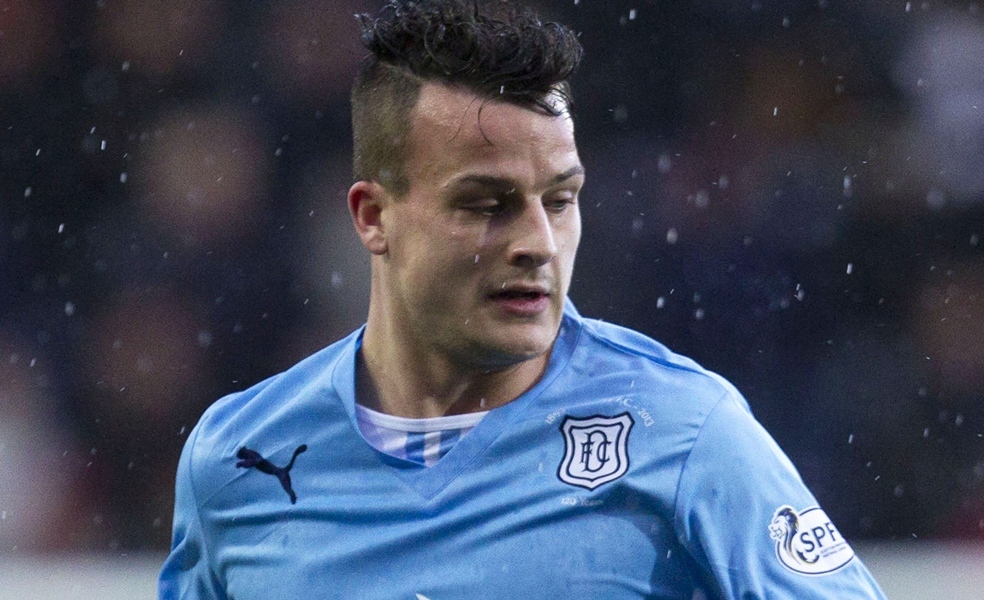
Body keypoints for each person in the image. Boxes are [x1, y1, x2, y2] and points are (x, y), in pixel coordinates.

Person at [159, 1, 887, 598]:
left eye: (560, 199)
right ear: (372, 217)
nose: (537, 241)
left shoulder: (686, 433)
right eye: (486, 203)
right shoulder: (234, 461)